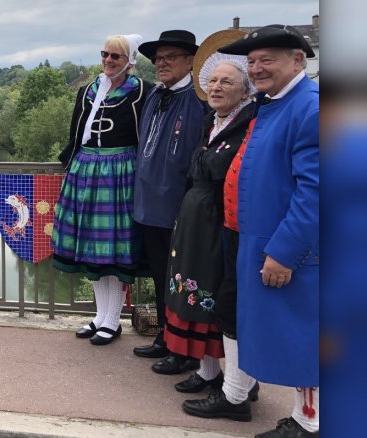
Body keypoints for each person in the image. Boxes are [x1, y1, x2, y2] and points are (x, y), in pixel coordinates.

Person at [155, 30, 262, 422]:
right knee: (194, 291)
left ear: (245, 90)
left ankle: (234, 384)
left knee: (216, 296)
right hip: (195, 222)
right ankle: (208, 370)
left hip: (220, 224)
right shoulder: (214, 122)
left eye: (227, 82)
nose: (216, 87)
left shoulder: (248, 125)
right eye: (213, 81)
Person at [218, 25, 319, 437]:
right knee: (289, 335)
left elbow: (317, 192)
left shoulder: (310, 108)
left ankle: (310, 423)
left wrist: (283, 251)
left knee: (306, 336)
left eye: (267, 60)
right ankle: (304, 417)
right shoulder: (272, 103)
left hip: (295, 251)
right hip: (260, 241)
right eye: (252, 61)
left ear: (298, 61)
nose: (256, 68)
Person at [52, 34, 148, 345]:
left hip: (119, 175)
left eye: (116, 57)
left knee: (111, 250)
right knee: (92, 248)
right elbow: (75, 135)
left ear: (129, 61)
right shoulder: (87, 92)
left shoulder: (142, 93)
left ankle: (113, 320)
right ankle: (99, 316)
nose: (108, 60)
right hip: (86, 172)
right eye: (105, 54)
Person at [132, 30, 207, 375]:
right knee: (161, 277)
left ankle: (186, 350)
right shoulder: (154, 96)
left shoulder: (199, 100)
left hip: (179, 206)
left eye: (170, 57)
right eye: (158, 58)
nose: (162, 63)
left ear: (191, 61)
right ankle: (165, 336)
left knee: (183, 280)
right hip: (149, 204)